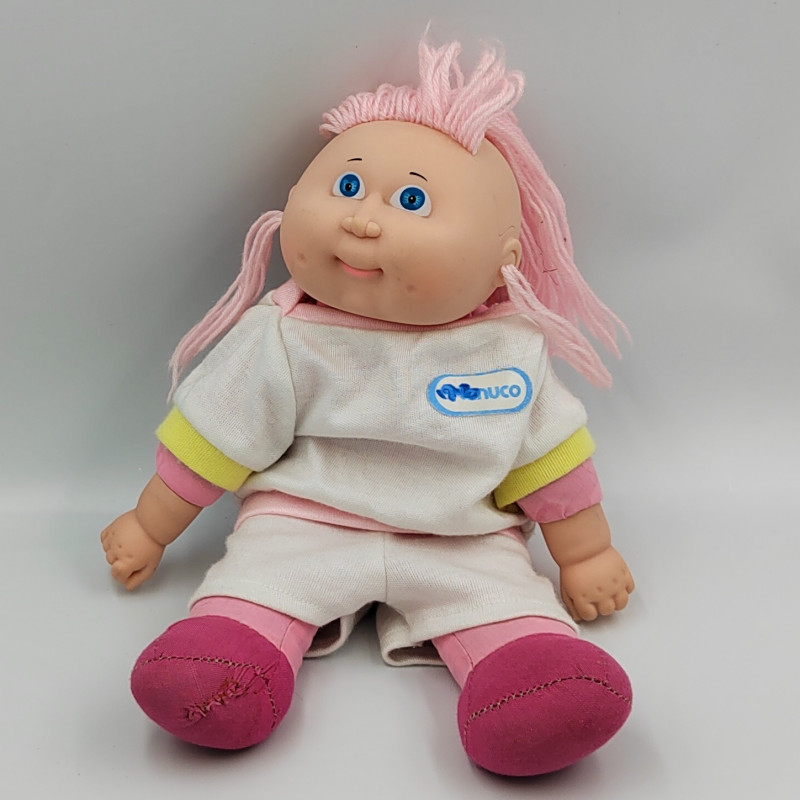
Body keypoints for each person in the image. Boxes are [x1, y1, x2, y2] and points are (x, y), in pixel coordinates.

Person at [101, 37, 635, 777]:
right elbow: (213, 436)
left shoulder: (508, 351)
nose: (362, 221)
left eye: (412, 201)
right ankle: (225, 668)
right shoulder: (285, 334)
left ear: (505, 260)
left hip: (463, 536)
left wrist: (586, 553)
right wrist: (149, 524)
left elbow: (550, 460)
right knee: (255, 586)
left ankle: (529, 687)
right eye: (347, 187)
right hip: (302, 521)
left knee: (505, 605)